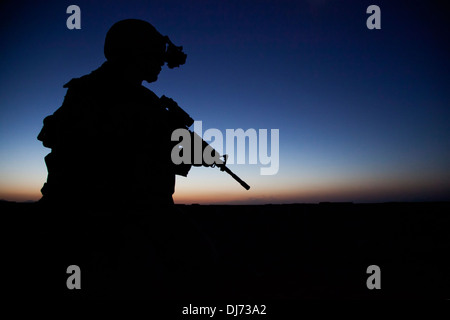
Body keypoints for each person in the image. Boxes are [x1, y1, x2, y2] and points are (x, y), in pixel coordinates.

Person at [38, 19, 191, 209]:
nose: (161, 61)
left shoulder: (89, 89)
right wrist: (188, 149)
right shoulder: (109, 95)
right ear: (135, 52)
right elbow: (123, 157)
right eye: (154, 53)